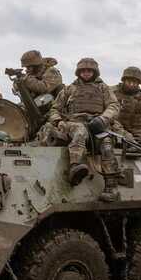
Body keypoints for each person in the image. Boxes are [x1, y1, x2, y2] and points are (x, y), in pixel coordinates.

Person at [48, 58, 122, 201]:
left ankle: (111, 187)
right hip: (74, 122)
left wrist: (103, 119)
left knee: (106, 145)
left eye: (89, 71)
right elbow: (54, 109)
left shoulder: (103, 88)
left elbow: (114, 106)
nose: (86, 73)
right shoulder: (69, 89)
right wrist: (58, 121)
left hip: (97, 123)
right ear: (78, 72)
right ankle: (75, 167)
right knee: (80, 132)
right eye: (83, 71)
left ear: (95, 72)